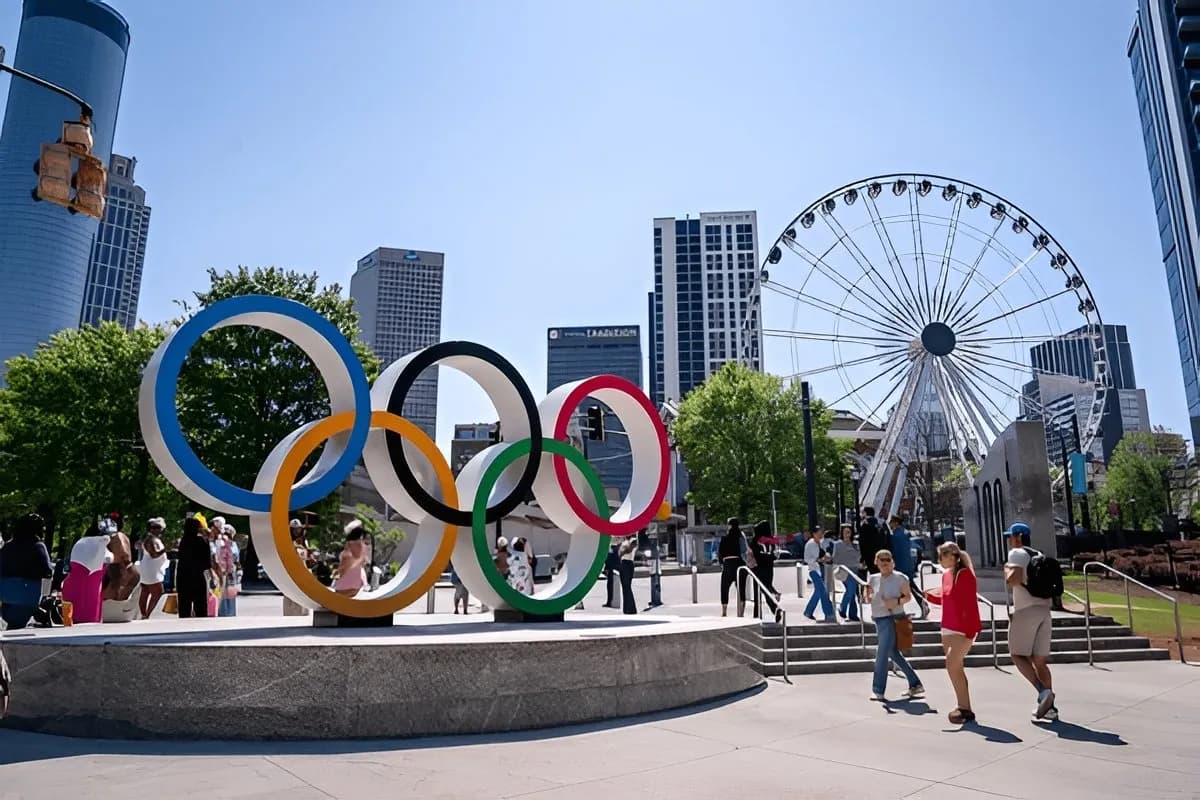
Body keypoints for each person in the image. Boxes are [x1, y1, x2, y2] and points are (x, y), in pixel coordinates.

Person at [1005, 522, 1058, 721]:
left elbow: (1015, 578)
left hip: (1025, 610)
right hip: (1045, 610)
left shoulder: (1017, 554)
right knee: (1040, 661)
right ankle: (1050, 708)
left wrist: (1006, 573)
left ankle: (1042, 691)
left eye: (1011, 537)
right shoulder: (1038, 554)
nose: (1010, 541)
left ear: (1018, 537)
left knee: (1017, 654)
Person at [925, 541, 982, 724]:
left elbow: (969, 602)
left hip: (963, 628)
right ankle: (964, 706)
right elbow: (948, 597)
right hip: (948, 626)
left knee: (951, 663)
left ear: (951, 556)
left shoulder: (964, 574)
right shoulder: (946, 575)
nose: (939, 560)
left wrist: (971, 629)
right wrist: (929, 595)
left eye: (941, 556)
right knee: (955, 667)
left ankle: (964, 707)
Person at [865, 549, 925, 702]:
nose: (884, 563)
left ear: (892, 561)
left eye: (887, 559)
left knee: (882, 653)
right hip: (878, 617)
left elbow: (908, 597)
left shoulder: (900, 578)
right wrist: (867, 596)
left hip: (892, 617)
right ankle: (915, 683)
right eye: (881, 560)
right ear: (876, 562)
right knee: (892, 653)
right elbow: (868, 598)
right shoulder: (873, 579)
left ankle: (878, 689)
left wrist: (896, 602)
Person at [0, 513, 54, 630]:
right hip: (27, 597)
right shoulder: (38, 546)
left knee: (14, 626)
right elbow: (47, 571)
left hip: (5, 599)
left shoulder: (7, 547)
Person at [62, 521, 113, 624]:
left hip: (73, 585)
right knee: (89, 613)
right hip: (92, 587)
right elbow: (109, 558)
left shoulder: (79, 544)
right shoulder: (100, 545)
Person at [888, 514, 929, 619]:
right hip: (907, 564)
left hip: (900, 565)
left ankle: (921, 605)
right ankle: (898, 609)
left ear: (896, 522)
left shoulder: (896, 535)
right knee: (909, 587)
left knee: (907, 588)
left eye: (891, 521)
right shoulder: (905, 533)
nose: (890, 524)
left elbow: (895, 551)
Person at [176, 515, 216, 618]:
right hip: (198, 575)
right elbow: (207, 562)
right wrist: (211, 576)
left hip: (183, 575)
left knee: (184, 604)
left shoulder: (182, 541)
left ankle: (184, 624)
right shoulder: (202, 541)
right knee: (200, 604)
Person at [137, 517, 169, 619]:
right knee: (158, 591)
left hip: (150, 567)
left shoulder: (153, 539)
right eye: (156, 528)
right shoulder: (150, 540)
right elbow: (154, 554)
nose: (159, 530)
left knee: (145, 591)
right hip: (151, 569)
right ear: (151, 529)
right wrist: (165, 549)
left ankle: (144, 614)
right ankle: (147, 613)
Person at [750, 520, 781, 621]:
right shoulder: (771, 540)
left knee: (758, 591)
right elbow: (776, 554)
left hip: (758, 568)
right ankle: (774, 606)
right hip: (769, 568)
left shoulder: (756, 540)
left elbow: (754, 552)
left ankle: (758, 614)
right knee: (766, 588)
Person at [717, 518, 748, 617]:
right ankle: (741, 612)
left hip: (728, 564)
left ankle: (724, 610)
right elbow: (744, 551)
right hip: (739, 563)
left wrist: (722, 563)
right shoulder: (740, 536)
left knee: (724, 587)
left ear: (729, 525)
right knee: (741, 588)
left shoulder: (724, 538)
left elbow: (720, 553)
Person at [832, 524, 863, 622]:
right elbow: (835, 558)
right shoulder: (837, 544)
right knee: (850, 590)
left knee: (852, 592)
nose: (847, 534)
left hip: (854, 570)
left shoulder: (856, 544)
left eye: (848, 532)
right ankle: (843, 607)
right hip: (844, 571)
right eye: (845, 532)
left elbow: (860, 557)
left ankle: (852, 614)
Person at [804, 527, 835, 622]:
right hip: (813, 569)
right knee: (823, 591)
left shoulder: (820, 543)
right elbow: (813, 558)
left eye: (821, 532)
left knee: (818, 591)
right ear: (814, 534)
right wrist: (823, 558)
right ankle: (829, 613)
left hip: (819, 569)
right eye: (819, 533)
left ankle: (808, 611)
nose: (821, 534)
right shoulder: (811, 544)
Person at [333, 520, 369, 598]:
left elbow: (343, 568)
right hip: (355, 589)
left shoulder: (348, 550)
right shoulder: (362, 547)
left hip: (343, 590)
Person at [215, 523, 241, 617]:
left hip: (230, 571)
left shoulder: (233, 544)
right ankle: (223, 612)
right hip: (221, 570)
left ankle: (230, 613)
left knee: (230, 592)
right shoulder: (219, 543)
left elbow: (237, 559)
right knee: (222, 591)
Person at [858, 507, 887, 574]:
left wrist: (862, 557)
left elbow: (862, 542)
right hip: (880, 553)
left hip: (869, 555)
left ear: (865, 513)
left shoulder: (865, 524)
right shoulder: (880, 524)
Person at [618, 535, 638, 614]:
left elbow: (626, 550)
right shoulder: (625, 542)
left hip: (627, 563)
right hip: (625, 563)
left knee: (627, 586)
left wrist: (621, 550)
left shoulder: (632, 541)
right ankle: (627, 608)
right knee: (625, 587)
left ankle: (630, 608)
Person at [604, 542, 620, 608]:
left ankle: (609, 602)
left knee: (610, 588)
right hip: (615, 573)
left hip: (611, 573)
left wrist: (606, 569)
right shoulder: (618, 555)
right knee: (611, 588)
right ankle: (610, 602)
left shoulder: (610, 555)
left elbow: (607, 562)